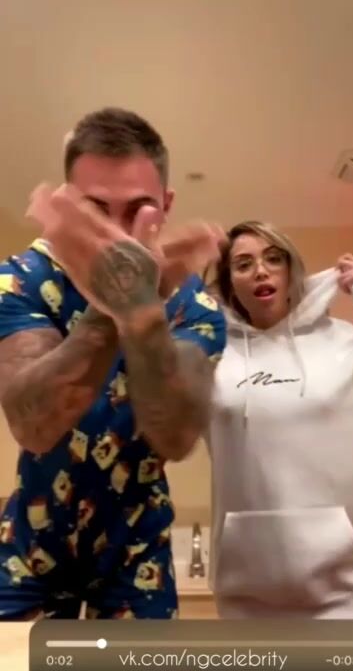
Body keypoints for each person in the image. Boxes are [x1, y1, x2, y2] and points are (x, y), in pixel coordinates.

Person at [0, 107, 226, 621]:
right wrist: (113, 307)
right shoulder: (22, 278)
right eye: (97, 210)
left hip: (138, 546)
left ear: (166, 205)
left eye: (138, 210)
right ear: (69, 203)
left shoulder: (195, 303)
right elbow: (32, 425)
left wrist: (143, 313)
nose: (118, 234)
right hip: (31, 543)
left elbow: (176, 437)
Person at [205, 219, 353, 621]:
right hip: (250, 602)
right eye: (243, 264)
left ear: (291, 269)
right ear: (229, 284)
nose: (260, 271)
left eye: (273, 259)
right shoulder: (212, 359)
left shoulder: (352, 347)